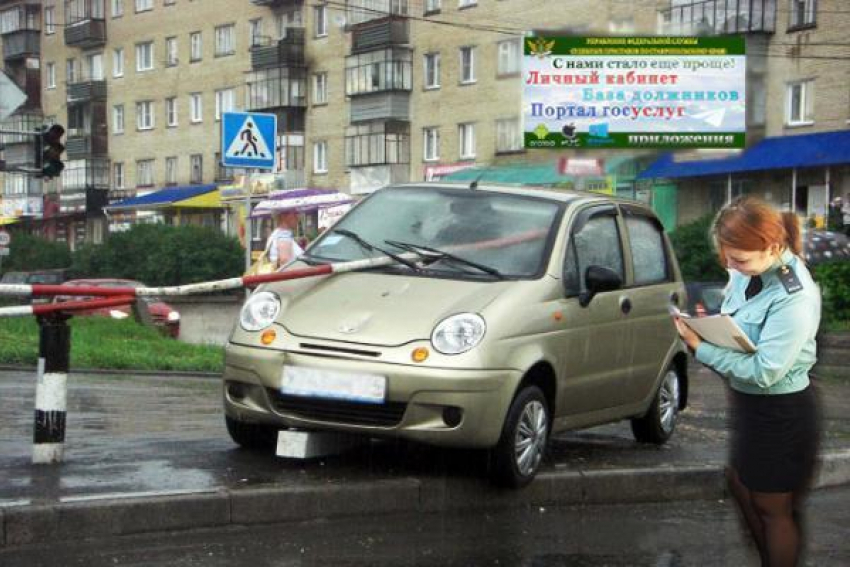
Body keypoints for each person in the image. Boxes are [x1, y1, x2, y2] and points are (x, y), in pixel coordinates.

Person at [674, 196, 821, 567]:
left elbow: (765, 370)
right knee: (740, 484)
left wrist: (700, 347)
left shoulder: (795, 295)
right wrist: (706, 326)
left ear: (772, 247)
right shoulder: (748, 269)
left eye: (739, 260)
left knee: (772, 506)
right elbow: (739, 319)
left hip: (780, 410)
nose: (731, 266)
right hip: (750, 404)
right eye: (727, 257)